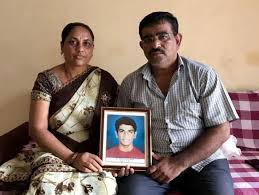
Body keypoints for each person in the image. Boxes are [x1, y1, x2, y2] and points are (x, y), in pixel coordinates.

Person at [116, 11, 239, 195]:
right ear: (142, 46)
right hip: (151, 167)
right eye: (148, 39)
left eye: (163, 36)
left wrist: (178, 163)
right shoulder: (130, 83)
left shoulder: (203, 75)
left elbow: (221, 129)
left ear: (178, 39)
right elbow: (118, 127)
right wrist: (127, 158)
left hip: (203, 162)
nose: (155, 44)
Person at [0, 22, 118, 194]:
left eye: (87, 43)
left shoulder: (105, 80)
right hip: (52, 151)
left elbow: (117, 123)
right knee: (48, 184)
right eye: (73, 42)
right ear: (62, 46)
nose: (80, 48)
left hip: (92, 155)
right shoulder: (46, 80)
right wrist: (72, 158)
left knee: (104, 186)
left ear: (93, 49)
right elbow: (37, 129)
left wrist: (117, 159)